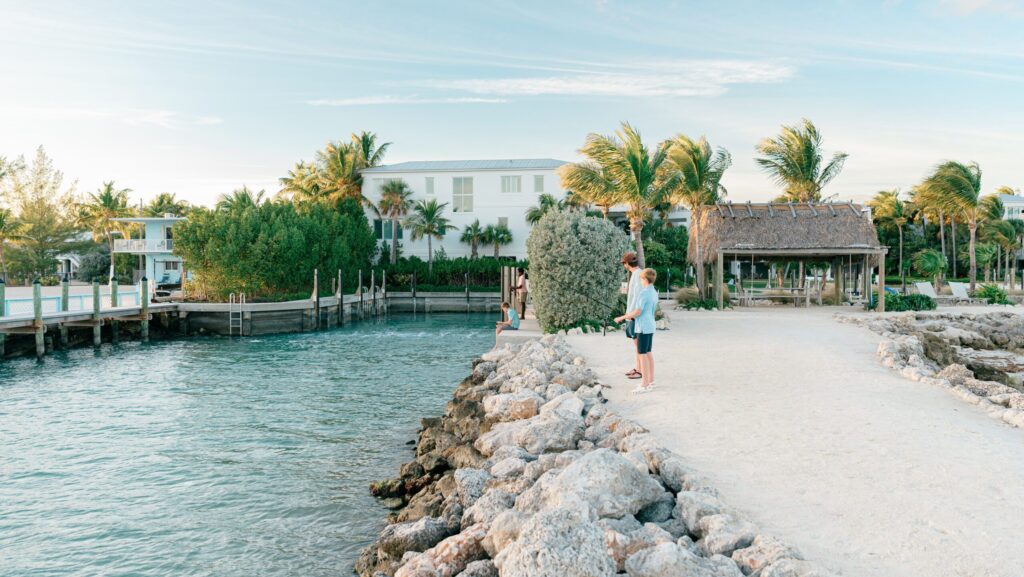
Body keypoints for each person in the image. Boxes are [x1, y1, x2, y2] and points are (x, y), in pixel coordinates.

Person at [615, 268, 658, 393]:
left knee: (642, 354)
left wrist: (622, 317)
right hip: (650, 325)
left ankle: (644, 384)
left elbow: (637, 312)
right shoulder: (653, 292)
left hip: (643, 327)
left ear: (644, 279)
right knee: (648, 353)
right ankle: (651, 381)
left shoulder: (644, 293)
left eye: (641, 279)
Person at [621, 252, 643, 380]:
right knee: (636, 345)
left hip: (634, 316)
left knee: (638, 345)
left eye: (624, 263)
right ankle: (637, 368)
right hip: (632, 315)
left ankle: (640, 371)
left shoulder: (638, 275)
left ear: (627, 263)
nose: (624, 265)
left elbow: (637, 297)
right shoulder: (636, 274)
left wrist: (631, 314)